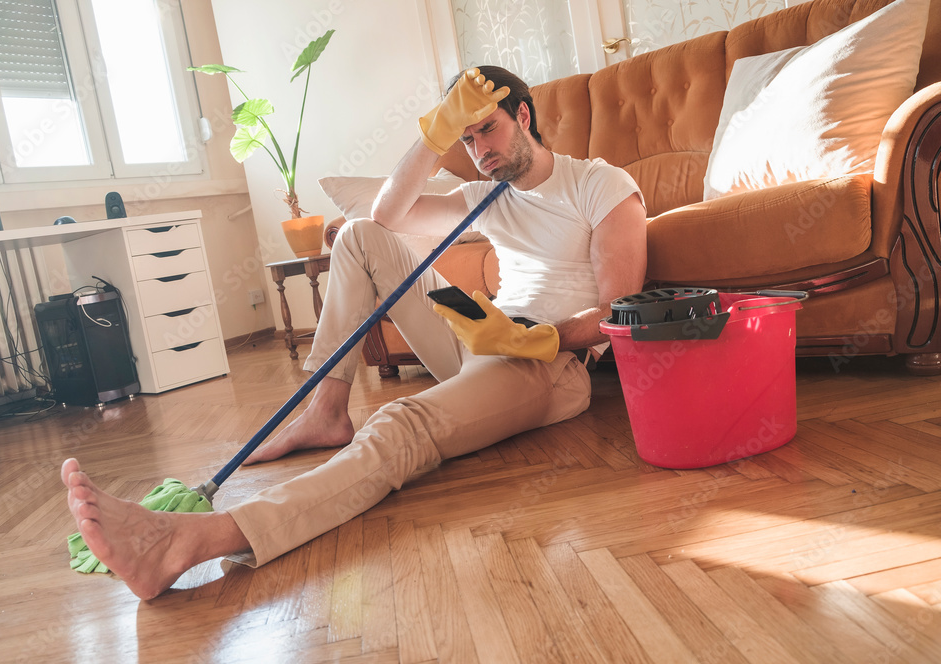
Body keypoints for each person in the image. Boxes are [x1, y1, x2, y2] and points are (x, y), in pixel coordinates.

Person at [62, 65, 647, 600]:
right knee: (358, 236)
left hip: (548, 363)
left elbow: (619, 310)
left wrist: (536, 338)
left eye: (488, 129)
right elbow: (384, 218)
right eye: (468, 139)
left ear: (522, 115)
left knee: (400, 422)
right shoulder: (484, 193)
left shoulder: (598, 183)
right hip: (481, 336)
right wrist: (434, 136)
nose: (480, 150)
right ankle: (327, 411)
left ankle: (194, 542)